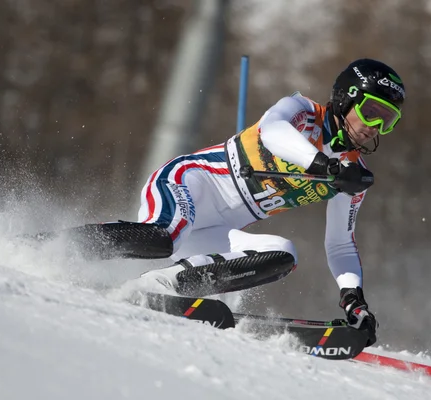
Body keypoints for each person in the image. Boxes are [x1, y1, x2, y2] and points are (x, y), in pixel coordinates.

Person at [62, 58, 404, 347]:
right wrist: (325, 167)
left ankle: (156, 287)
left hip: (218, 228)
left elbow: (340, 243)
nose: (376, 127)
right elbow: (272, 131)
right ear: (347, 98)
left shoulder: (354, 176)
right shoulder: (302, 112)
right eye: (372, 112)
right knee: (164, 238)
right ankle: (59, 246)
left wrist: (353, 300)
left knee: (283, 254)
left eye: (387, 121)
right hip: (191, 181)